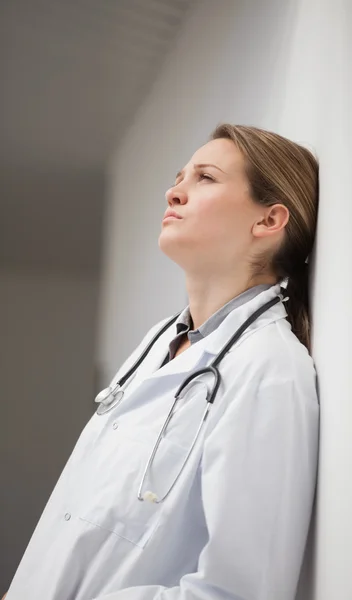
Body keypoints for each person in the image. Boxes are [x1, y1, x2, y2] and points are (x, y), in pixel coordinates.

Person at [5, 124, 319, 600]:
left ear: (268, 221)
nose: (174, 192)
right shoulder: (160, 343)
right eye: (178, 178)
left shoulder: (269, 368)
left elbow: (238, 591)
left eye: (205, 178)